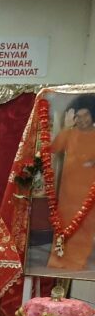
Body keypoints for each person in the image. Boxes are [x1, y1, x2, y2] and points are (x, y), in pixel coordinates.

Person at [46, 99, 95, 270]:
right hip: (67, 190)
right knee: (63, 224)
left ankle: (77, 260)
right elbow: (54, 148)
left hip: (89, 191)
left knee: (85, 225)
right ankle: (58, 259)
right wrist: (66, 127)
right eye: (78, 116)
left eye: (85, 115)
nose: (82, 119)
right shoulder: (70, 133)